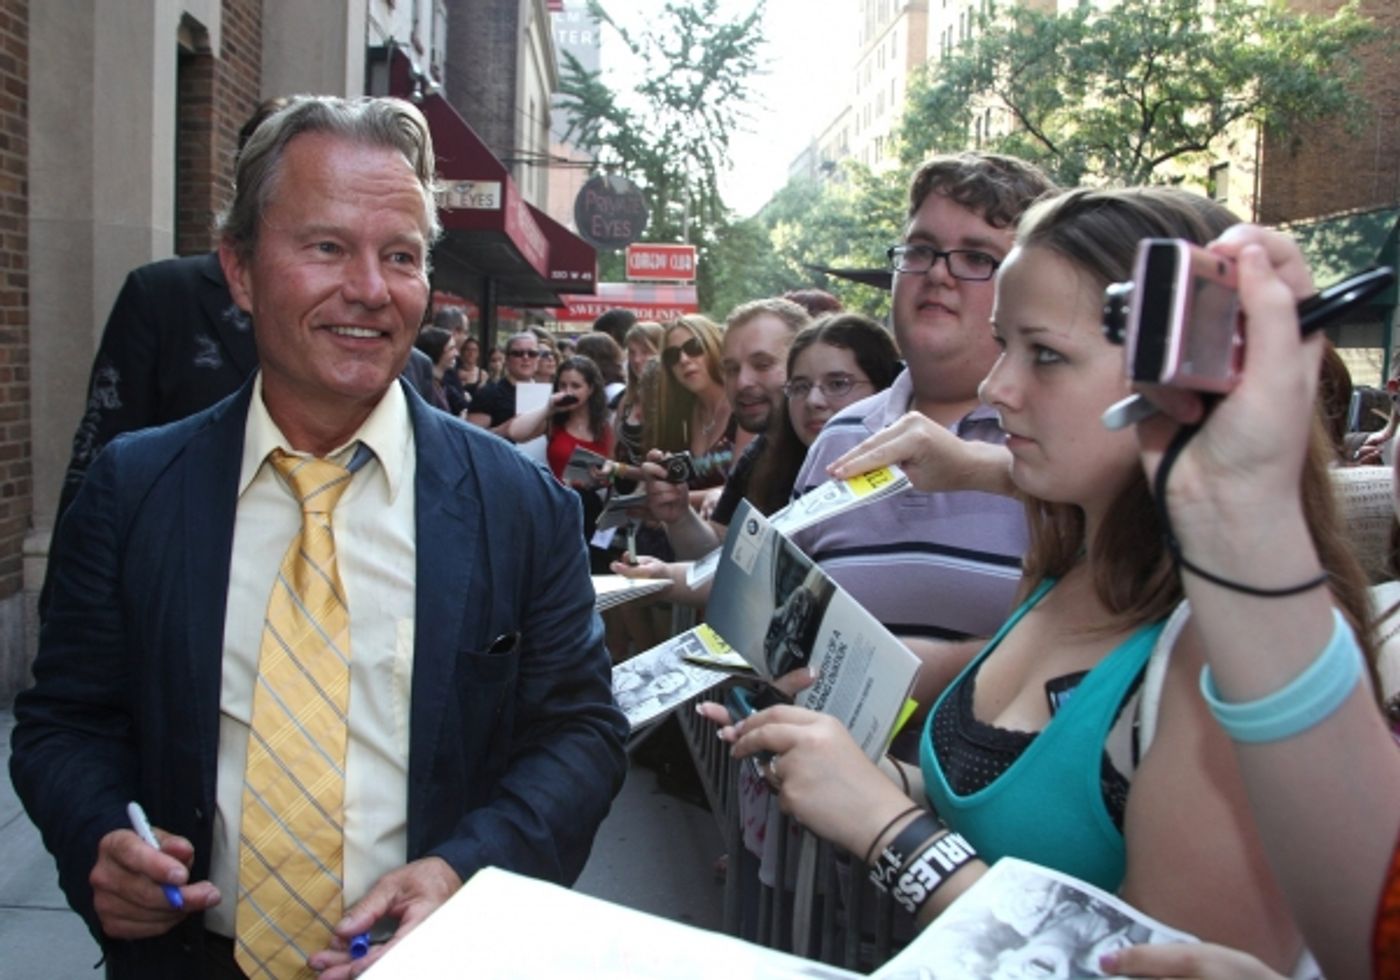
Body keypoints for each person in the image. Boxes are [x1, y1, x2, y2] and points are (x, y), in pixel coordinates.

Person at [10, 95, 627, 980]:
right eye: (327, 247)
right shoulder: (136, 487)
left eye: (401, 257)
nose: (371, 290)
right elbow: (65, 722)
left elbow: (580, 733)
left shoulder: (518, 505)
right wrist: (100, 835)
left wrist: (464, 873)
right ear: (240, 269)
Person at [703, 187, 1373, 975]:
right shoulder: (1065, 563)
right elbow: (1004, 802)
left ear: (1188, 373)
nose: (996, 388)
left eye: (1044, 354)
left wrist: (891, 833)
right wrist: (861, 773)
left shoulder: (1236, 652)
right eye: (1002, 345)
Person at [788, 153, 1052, 667]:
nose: (937, 273)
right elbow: (782, 620)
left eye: (977, 257)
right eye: (921, 249)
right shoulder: (837, 437)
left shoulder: (1061, 441)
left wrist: (918, 675)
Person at [643, 298, 811, 560]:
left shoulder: (840, 448)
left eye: (763, 364)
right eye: (731, 369)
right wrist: (679, 515)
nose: (742, 381)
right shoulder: (757, 455)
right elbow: (716, 551)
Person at [467, 331, 542, 434]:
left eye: (532, 354)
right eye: (518, 353)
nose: (526, 357)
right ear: (506, 359)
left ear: (538, 359)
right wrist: (504, 430)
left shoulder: (546, 394)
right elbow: (471, 437)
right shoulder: (488, 394)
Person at [412, 326, 468, 417]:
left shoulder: (443, 386)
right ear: (437, 351)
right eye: (451, 349)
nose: (456, 354)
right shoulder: (424, 388)